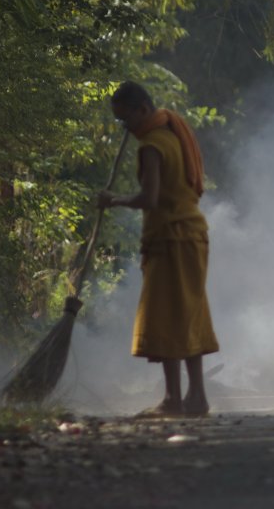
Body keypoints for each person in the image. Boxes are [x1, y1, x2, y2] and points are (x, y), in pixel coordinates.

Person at [97, 81, 219, 417]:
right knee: (188, 312)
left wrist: (114, 200)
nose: (127, 128)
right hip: (193, 235)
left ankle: (173, 400)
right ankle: (196, 398)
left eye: (127, 120)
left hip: (171, 239)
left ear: (142, 110)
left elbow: (149, 199)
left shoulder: (151, 145)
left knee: (167, 316)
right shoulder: (173, 134)